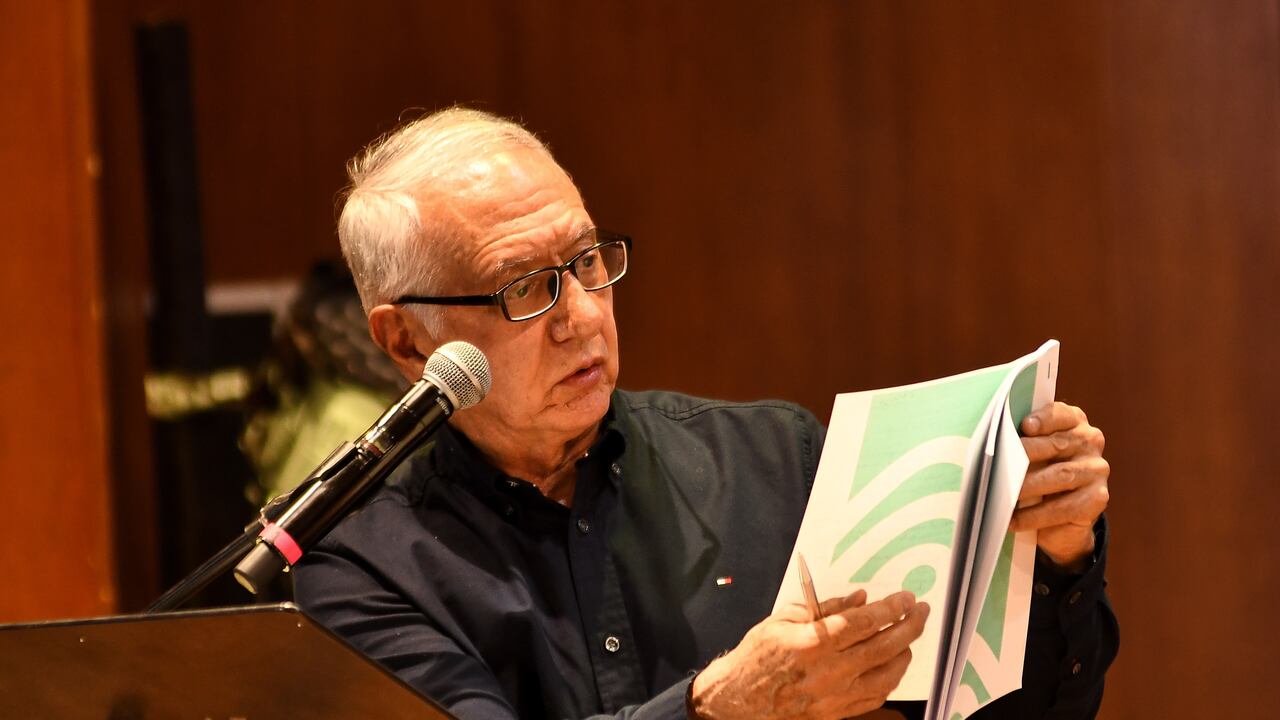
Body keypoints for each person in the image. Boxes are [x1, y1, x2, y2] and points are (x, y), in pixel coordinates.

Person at [294, 108, 1118, 719]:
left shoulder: (774, 458)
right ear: (405, 340)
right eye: (523, 287)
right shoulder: (358, 568)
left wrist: (1058, 557)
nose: (578, 313)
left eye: (585, 261)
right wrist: (716, 708)